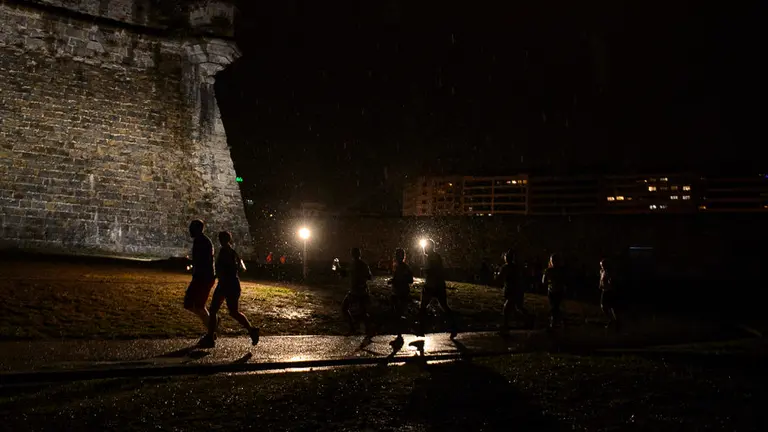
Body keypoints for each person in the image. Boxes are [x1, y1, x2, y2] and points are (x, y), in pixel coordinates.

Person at [199, 231, 260, 348]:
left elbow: (224, 269)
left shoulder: (224, 252)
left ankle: (210, 337)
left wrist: (215, 276)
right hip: (233, 284)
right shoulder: (233, 252)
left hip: (225, 284)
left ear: (221, 239)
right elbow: (241, 269)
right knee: (233, 312)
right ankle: (251, 330)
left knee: (213, 311)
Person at [417, 239, 458, 339]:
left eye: (426, 247)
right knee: (444, 306)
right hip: (438, 285)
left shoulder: (432, 257)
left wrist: (425, 271)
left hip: (432, 285)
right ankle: (454, 326)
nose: (424, 249)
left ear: (430, 247)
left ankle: (421, 328)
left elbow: (433, 270)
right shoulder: (435, 256)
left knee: (423, 307)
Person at [183, 220, 216, 336]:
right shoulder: (203, 240)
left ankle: (212, 328)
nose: (189, 230)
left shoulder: (201, 241)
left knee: (195, 304)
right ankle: (212, 325)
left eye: (191, 228)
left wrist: (192, 264)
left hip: (203, 278)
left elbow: (203, 261)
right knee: (194, 304)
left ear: (197, 229)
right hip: (203, 277)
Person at [340, 247, 373, 337]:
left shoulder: (358, 265)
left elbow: (369, 276)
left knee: (346, 308)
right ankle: (366, 330)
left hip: (359, 292)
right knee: (359, 312)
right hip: (357, 292)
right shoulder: (359, 264)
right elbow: (369, 276)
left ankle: (357, 329)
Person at [387, 248, 414, 347]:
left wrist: (396, 281)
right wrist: (393, 281)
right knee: (396, 313)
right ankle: (400, 334)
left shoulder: (404, 267)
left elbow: (410, 280)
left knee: (398, 313)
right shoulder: (398, 266)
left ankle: (401, 335)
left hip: (401, 292)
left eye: (398, 255)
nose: (396, 256)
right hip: (397, 292)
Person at [498, 249, 527, 332]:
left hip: (512, 290)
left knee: (507, 308)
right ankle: (527, 319)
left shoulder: (506, 267)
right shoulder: (516, 267)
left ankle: (505, 325)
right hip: (517, 290)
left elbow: (500, 277)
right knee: (517, 307)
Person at [542, 253, 567, 329]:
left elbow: (565, 281)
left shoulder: (560, 271)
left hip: (558, 290)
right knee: (554, 307)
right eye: (553, 261)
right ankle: (556, 321)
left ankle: (554, 322)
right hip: (552, 290)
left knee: (555, 307)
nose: (554, 262)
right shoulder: (549, 270)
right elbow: (543, 281)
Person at [599, 258, 620, 329]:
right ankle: (612, 319)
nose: (602, 266)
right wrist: (601, 285)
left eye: (603, 265)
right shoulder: (602, 271)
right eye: (601, 265)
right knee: (603, 306)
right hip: (604, 290)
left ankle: (615, 321)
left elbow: (611, 280)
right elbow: (601, 279)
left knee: (611, 306)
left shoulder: (609, 272)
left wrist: (610, 282)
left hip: (609, 290)